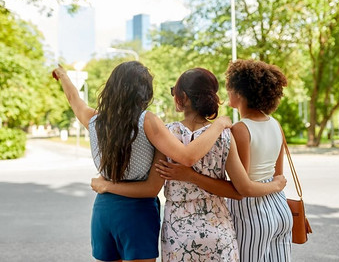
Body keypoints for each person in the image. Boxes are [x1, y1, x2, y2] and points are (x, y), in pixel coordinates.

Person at [90, 67, 287, 262]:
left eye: (173, 91)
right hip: (218, 229)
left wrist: (107, 181)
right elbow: (238, 191)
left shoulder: (167, 134)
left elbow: (149, 180)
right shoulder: (225, 135)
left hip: (179, 232)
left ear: (182, 97)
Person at [52, 61, 232, 262]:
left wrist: (63, 76)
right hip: (136, 213)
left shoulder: (94, 120)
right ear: (144, 92)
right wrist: (219, 125)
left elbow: (73, 99)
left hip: (103, 210)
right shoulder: (147, 120)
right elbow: (186, 158)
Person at [158, 60, 293, 262]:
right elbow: (276, 175)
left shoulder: (237, 130)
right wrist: (276, 185)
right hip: (276, 210)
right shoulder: (269, 126)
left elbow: (243, 187)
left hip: (248, 214)